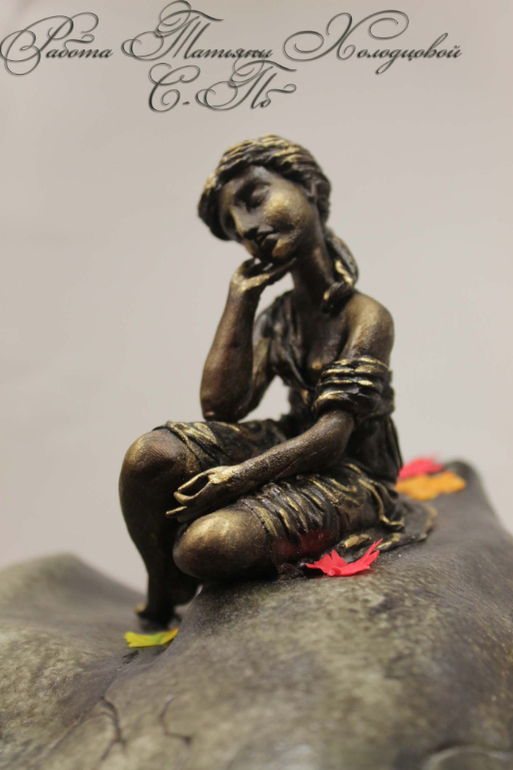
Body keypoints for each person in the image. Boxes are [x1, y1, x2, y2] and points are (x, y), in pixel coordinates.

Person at [119, 135, 405, 626]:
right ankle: (164, 584)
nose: (248, 228)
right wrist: (241, 300)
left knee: (207, 544)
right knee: (151, 456)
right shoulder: (279, 317)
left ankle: (186, 565)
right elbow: (222, 408)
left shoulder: (366, 318)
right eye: (234, 228)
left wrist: (236, 478)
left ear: (309, 188)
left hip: (351, 470)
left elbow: (333, 438)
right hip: (292, 438)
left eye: (254, 199)